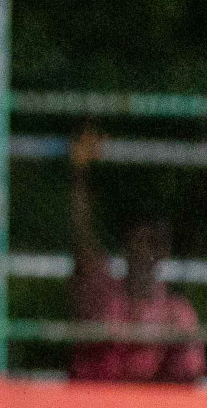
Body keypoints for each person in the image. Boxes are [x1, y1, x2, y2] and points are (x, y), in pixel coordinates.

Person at [68, 126, 204, 383]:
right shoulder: (102, 291)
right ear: (126, 246)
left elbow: (189, 375)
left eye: (153, 243)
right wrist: (79, 172)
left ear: (164, 251)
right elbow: (81, 236)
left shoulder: (177, 314)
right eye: (138, 241)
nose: (144, 250)